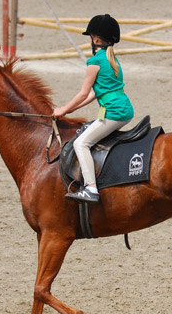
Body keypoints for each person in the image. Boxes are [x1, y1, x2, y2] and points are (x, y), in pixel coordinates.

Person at [53, 14, 134, 203]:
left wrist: (63, 109)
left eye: (90, 37)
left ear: (95, 39)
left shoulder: (95, 62)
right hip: (124, 109)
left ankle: (91, 188)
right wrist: (71, 110)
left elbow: (83, 93)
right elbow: (94, 95)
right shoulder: (112, 59)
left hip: (114, 112)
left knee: (80, 143)